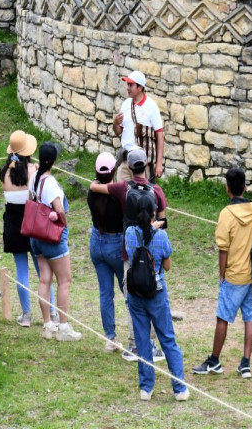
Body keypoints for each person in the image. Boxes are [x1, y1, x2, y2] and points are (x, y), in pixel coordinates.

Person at [89, 147, 167, 362]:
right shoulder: (157, 191)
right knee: (151, 293)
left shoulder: (122, 187)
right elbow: (164, 222)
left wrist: (93, 184)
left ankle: (133, 344)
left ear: (129, 168)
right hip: (152, 252)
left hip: (129, 248)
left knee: (132, 295)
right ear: (146, 165)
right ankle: (149, 344)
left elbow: (97, 187)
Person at [192, 166, 252, 379]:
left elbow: (223, 248)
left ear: (227, 189)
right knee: (249, 317)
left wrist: (222, 274)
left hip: (234, 275)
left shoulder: (226, 214)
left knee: (223, 317)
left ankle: (214, 360)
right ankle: (246, 363)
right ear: (245, 187)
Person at [124, 191, 189, 402]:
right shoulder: (162, 237)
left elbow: (132, 248)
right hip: (157, 294)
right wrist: (155, 230)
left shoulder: (129, 234)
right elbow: (167, 267)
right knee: (167, 339)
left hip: (135, 295)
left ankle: (146, 388)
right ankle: (179, 388)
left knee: (142, 341)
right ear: (154, 213)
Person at [0, 130, 57, 327]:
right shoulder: (35, 171)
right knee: (43, 271)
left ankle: (26, 315)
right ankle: (52, 310)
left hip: (13, 227)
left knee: (21, 270)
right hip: (33, 225)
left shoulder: (4, 172)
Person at [30, 141, 81, 342]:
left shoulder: (34, 177)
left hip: (36, 236)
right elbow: (58, 208)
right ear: (53, 161)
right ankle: (64, 327)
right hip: (52, 236)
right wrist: (64, 225)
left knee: (44, 279)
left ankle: (47, 325)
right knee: (64, 281)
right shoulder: (50, 183)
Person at [88, 151, 126, 352]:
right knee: (128, 290)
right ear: (112, 173)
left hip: (97, 242)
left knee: (105, 293)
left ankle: (110, 338)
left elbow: (96, 184)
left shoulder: (91, 191)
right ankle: (135, 336)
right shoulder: (118, 192)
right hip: (115, 243)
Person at [112, 70, 164, 181]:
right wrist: (115, 123)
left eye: (131, 85)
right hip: (125, 160)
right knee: (122, 195)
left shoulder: (151, 106)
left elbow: (160, 136)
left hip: (142, 164)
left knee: (142, 196)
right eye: (127, 85)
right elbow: (118, 132)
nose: (128, 88)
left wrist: (159, 164)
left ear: (140, 87)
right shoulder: (126, 104)